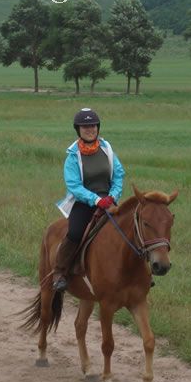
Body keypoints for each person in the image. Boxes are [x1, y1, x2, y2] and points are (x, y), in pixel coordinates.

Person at [52, 108, 125, 292]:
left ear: (97, 127)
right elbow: (74, 185)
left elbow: (119, 175)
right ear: (78, 130)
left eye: (92, 125)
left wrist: (112, 196)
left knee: (130, 230)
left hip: (109, 201)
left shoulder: (107, 149)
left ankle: (137, 275)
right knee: (75, 233)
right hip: (84, 203)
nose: (89, 129)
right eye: (85, 126)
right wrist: (96, 200)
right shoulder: (73, 156)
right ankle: (60, 272)